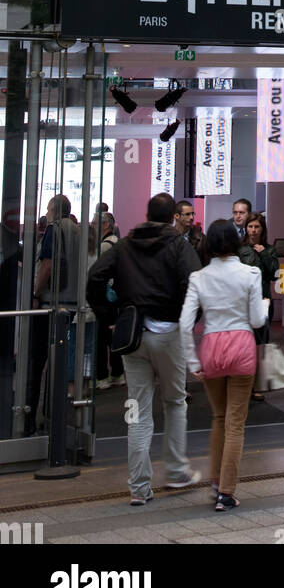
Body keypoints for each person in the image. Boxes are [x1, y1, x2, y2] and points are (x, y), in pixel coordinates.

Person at [87, 192, 201, 505]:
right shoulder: (179, 245)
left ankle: (139, 487)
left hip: (133, 335)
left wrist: (110, 316)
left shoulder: (125, 244)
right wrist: (185, 317)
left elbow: (95, 275)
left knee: (137, 411)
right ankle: (176, 471)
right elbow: (195, 283)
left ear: (147, 213)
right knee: (175, 401)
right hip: (168, 334)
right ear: (171, 217)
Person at [180, 219, 267, 512]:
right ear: (235, 240)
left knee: (218, 418)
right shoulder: (251, 273)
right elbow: (256, 321)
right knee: (235, 423)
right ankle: (226, 493)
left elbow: (184, 324)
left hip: (212, 348)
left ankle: (216, 482)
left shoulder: (199, 278)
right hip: (242, 346)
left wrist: (193, 361)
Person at [26, 194, 81, 434]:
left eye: (48, 209)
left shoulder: (54, 229)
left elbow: (47, 264)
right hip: (70, 304)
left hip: (50, 301)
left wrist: (36, 293)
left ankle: (29, 418)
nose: (46, 213)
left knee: (37, 360)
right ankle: (53, 414)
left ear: (54, 211)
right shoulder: (80, 232)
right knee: (59, 361)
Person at [239, 213, 279, 399]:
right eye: (250, 227)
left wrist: (263, 253)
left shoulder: (269, 250)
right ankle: (243, 382)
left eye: (256, 227)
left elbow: (275, 275)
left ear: (262, 229)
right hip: (243, 301)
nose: (253, 230)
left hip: (263, 301)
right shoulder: (239, 250)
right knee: (242, 344)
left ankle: (258, 385)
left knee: (261, 344)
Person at [92, 212, 124, 390]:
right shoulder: (118, 243)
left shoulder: (104, 246)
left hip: (105, 297)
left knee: (101, 338)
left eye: (94, 223)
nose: (92, 226)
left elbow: (97, 273)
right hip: (116, 297)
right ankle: (117, 374)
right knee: (113, 338)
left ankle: (102, 376)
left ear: (105, 225)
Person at [174, 200, 207, 264]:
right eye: (187, 214)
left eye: (193, 214)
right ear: (177, 216)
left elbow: (205, 264)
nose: (192, 217)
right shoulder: (169, 236)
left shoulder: (201, 239)